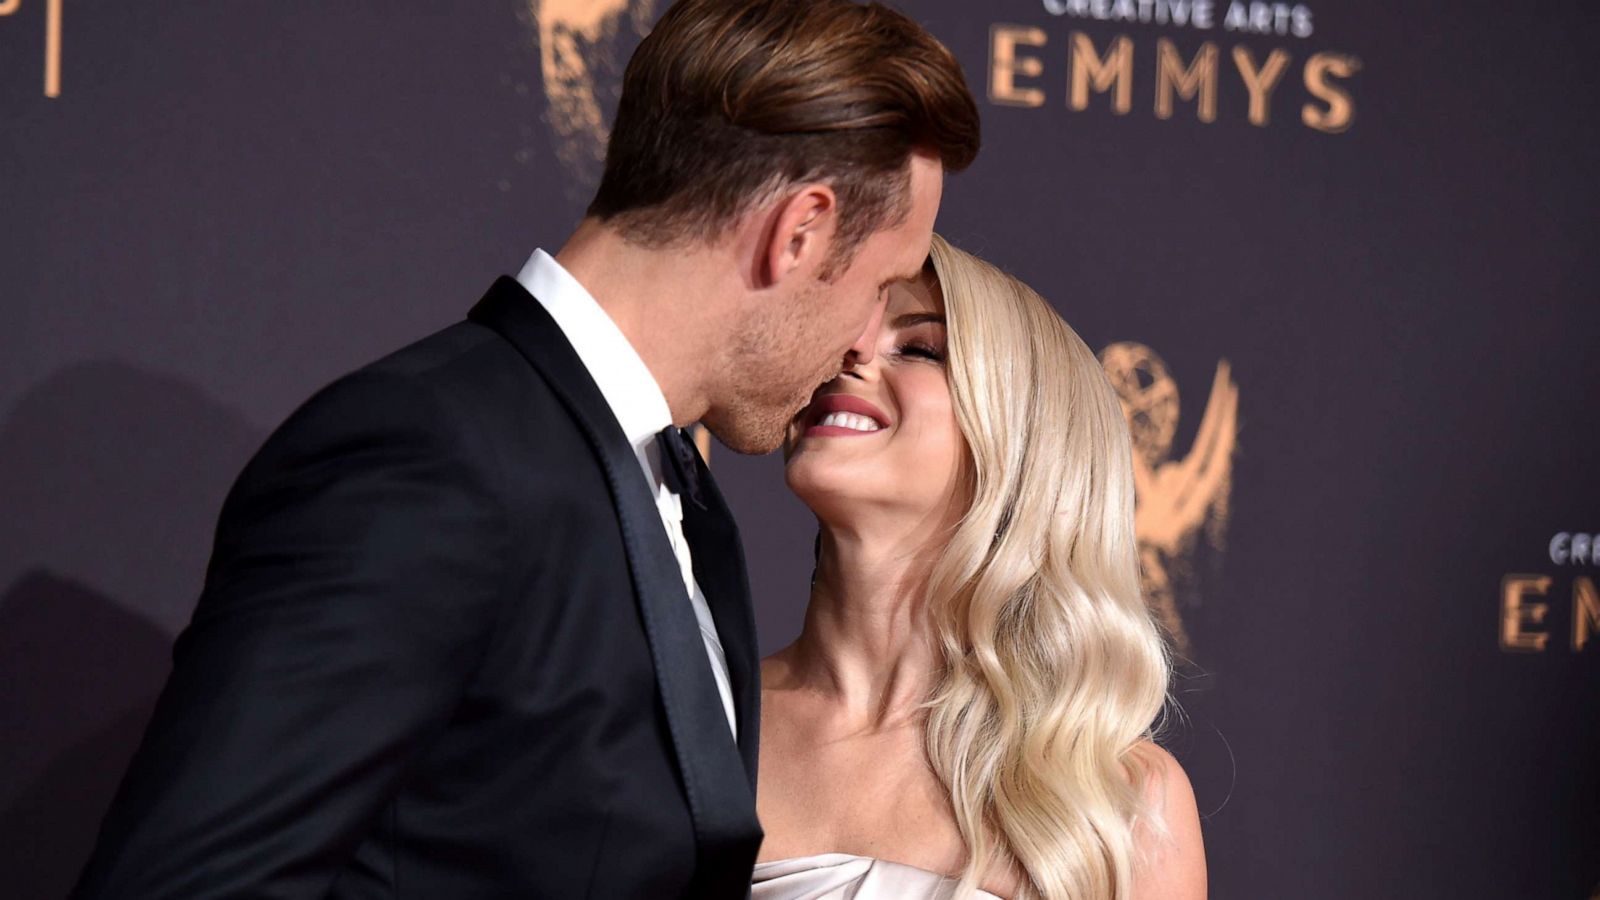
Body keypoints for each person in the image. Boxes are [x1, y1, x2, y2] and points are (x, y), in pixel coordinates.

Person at [70, 2, 979, 897]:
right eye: (882, 283)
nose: (865, 339)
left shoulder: (684, 504)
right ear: (800, 232)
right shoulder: (432, 457)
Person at [753, 236, 1207, 899]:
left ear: (1025, 439)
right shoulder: (696, 724)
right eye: (840, 332)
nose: (847, 353)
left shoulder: (1122, 803)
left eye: (918, 348)